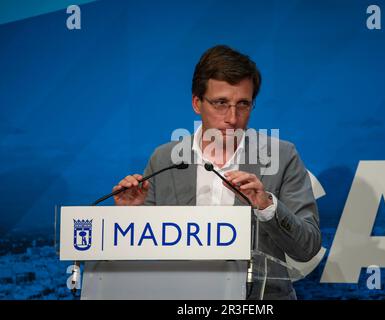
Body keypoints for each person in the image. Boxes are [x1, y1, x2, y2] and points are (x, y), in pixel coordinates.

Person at [113, 45, 321, 300]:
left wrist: (267, 206)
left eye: (243, 104)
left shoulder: (282, 156)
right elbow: (143, 253)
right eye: (221, 103)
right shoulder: (165, 159)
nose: (232, 118)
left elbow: (307, 248)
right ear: (197, 103)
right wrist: (130, 217)